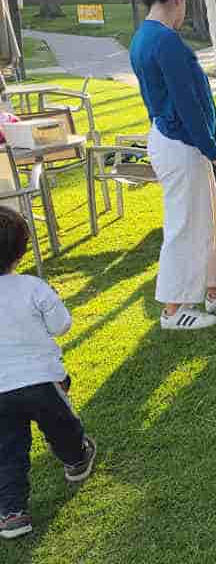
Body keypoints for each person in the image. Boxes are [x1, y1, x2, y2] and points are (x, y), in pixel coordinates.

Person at [129, 0, 216, 331]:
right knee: (185, 224)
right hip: (180, 142)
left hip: (174, 139)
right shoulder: (164, 40)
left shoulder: (145, 36)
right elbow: (187, 103)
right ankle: (174, 309)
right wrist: (213, 150)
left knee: (208, 219)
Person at [0, 208, 97, 540]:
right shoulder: (33, 286)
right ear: (22, 249)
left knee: (7, 451)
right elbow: (61, 325)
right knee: (62, 425)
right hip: (41, 380)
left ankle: (12, 513)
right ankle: (76, 459)